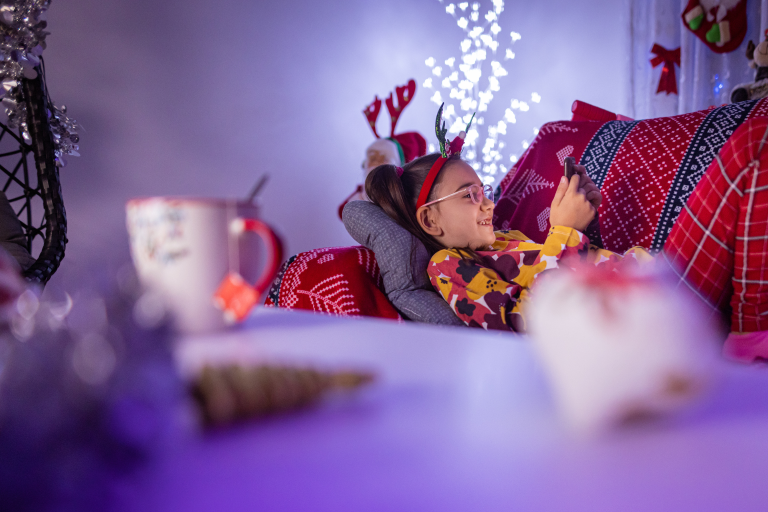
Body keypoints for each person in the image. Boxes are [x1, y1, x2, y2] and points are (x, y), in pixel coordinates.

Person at [363, 105, 768, 361]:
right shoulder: (448, 266)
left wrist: (580, 225)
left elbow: (559, 274)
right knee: (753, 145)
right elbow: (528, 325)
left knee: (754, 154)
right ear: (431, 221)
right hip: (652, 305)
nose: (488, 203)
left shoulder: (503, 240)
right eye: (469, 196)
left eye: (483, 190)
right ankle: (745, 341)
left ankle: (746, 334)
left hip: (656, 284)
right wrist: (565, 232)